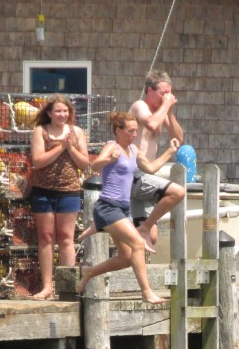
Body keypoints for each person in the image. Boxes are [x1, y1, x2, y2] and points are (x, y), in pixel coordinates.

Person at [76, 112, 179, 305]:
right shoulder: (111, 146)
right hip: (108, 207)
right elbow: (93, 166)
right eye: (130, 131)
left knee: (126, 258)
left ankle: (89, 272)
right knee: (138, 245)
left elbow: (150, 168)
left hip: (124, 209)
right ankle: (146, 292)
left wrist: (170, 151)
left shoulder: (133, 149)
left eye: (136, 131)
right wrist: (108, 159)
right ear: (118, 130)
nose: (134, 135)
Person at [78, 70, 185, 252]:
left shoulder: (162, 112)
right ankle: (136, 227)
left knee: (150, 238)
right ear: (150, 91)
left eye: (169, 93)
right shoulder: (139, 106)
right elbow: (151, 123)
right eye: (163, 93)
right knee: (176, 192)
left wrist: (170, 112)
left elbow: (179, 138)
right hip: (133, 173)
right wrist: (166, 106)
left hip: (147, 171)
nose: (167, 97)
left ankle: (132, 239)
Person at [28, 94, 89, 300]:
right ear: (49, 113)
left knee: (66, 237)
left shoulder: (77, 132)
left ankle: (67, 286)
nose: (62, 115)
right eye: (58, 111)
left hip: (69, 190)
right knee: (45, 237)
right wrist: (59, 147)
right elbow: (37, 161)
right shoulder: (40, 131)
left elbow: (84, 163)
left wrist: (69, 147)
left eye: (65, 111)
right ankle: (47, 286)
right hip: (43, 190)